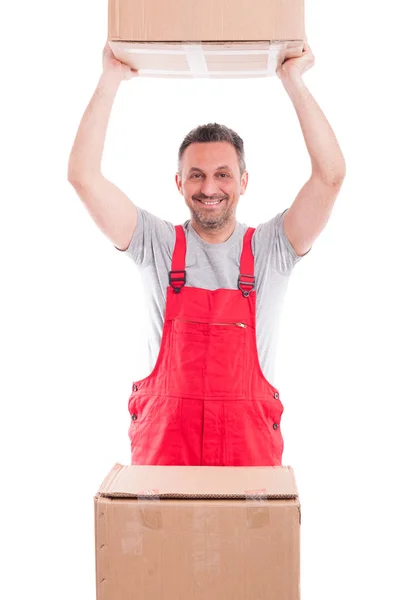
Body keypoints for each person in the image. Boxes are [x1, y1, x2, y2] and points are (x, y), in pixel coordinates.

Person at [68, 40, 346, 467]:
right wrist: (110, 79)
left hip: (247, 457)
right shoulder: (155, 244)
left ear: (244, 181)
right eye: (195, 175)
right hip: (166, 458)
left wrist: (293, 80)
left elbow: (330, 177)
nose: (209, 188)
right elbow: (84, 177)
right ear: (179, 184)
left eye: (222, 174)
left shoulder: (271, 249)